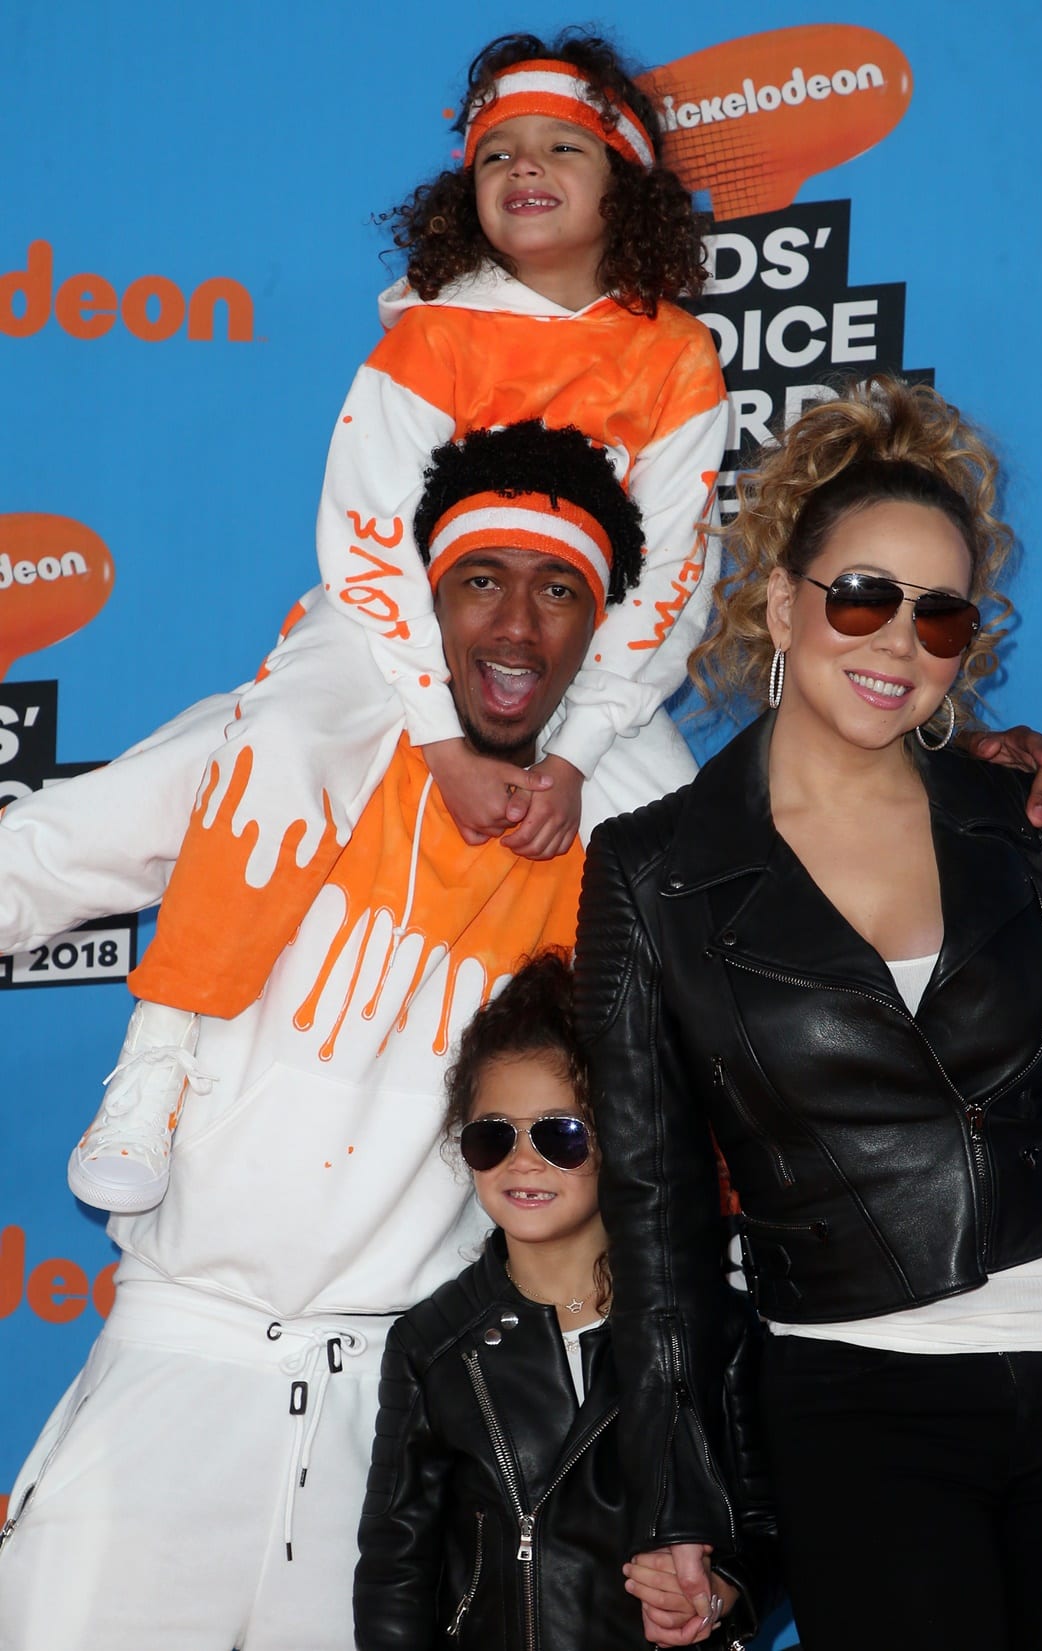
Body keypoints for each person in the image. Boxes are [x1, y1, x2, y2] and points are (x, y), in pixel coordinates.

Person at [0, 421, 693, 1651]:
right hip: (176, 1369)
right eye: (481, 581)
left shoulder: (627, 819)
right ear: (423, 599)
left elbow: (777, 911)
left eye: (560, 591)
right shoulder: (289, 747)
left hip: (412, 1428)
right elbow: (34, 860)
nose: (517, 627)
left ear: (605, 629)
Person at [573, 376, 1042, 1651]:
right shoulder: (655, 871)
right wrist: (674, 1495)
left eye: (941, 615)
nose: (896, 643)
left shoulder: (1027, 822)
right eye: (861, 595)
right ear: (779, 606)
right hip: (860, 1394)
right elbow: (655, 1212)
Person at [65, 27, 730, 1217]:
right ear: (461, 193)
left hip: (578, 672)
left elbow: (671, 574)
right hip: (390, 640)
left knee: (689, 863)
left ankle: (711, 1189)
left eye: (562, 147)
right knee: (266, 760)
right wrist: (438, 734)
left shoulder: (676, 357)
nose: (525, 170)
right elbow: (368, 531)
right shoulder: (432, 331)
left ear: (623, 180)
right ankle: (157, 1061)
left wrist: (577, 755)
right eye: (497, 155)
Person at [354, 949, 770, 1650]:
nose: (523, 1159)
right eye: (494, 1135)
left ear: (625, 1137)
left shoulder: (713, 1329)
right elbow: (396, 1569)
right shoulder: (432, 1344)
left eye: (560, 1133)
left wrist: (723, 1591)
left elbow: (765, 1522)